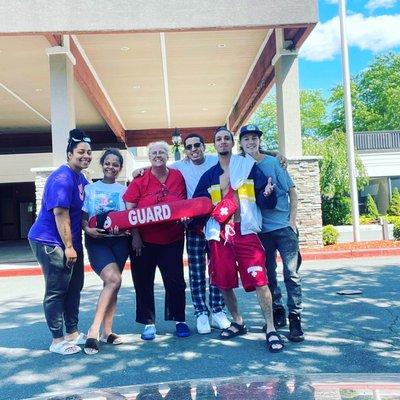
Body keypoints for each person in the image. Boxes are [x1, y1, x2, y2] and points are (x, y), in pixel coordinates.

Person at [193, 127, 284, 353]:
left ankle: (271, 328)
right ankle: (238, 321)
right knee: (223, 282)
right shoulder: (209, 176)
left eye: (226, 138)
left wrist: (268, 193)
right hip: (219, 234)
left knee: (260, 281)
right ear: (215, 145)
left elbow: (265, 198)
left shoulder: (248, 167)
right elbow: (198, 205)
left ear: (233, 143)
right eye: (219, 139)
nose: (223, 142)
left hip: (245, 230)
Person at [28, 128, 92, 355]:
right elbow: (61, 214)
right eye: (80, 152)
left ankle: (72, 332)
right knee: (57, 290)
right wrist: (68, 247)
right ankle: (57, 340)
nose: (85, 156)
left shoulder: (80, 177)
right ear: (69, 154)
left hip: (70, 240)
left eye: (88, 152)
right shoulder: (62, 178)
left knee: (74, 286)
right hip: (50, 241)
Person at [239, 124, 304, 342]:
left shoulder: (274, 162)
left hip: (283, 227)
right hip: (260, 230)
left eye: (254, 138)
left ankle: (296, 317)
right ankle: (277, 310)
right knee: (268, 275)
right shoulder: (241, 166)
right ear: (241, 143)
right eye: (246, 139)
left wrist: (292, 221)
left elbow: (292, 192)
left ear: (259, 141)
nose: (250, 142)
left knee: (291, 274)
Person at [123, 141, 190, 340]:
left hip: (173, 238)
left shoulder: (177, 175)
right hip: (143, 241)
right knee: (143, 282)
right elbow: (129, 210)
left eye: (161, 152)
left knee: (176, 282)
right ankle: (148, 323)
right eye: (153, 152)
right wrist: (135, 236)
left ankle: (180, 320)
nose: (157, 155)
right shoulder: (140, 180)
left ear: (168, 155)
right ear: (149, 157)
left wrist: (185, 215)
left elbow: (184, 203)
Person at [172, 133, 230, 334]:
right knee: (196, 271)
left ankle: (217, 310)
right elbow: (157, 165)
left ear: (205, 146)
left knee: (217, 267)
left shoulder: (217, 161)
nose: (193, 149)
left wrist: (275, 154)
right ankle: (200, 312)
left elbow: (245, 158)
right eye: (189, 147)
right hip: (194, 226)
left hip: (216, 223)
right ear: (185, 151)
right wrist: (138, 171)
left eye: (197, 145)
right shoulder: (180, 165)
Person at [81, 148, 130, 354]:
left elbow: (127, 217)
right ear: (102, 165)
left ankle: (107, 331)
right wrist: (88, 229)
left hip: (118, 241)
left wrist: (124, 228)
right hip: (97, 241)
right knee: (113, 279)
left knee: (113, 284)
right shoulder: (91, 189)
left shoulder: (123, 191)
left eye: (115, 164)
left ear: (120, 168)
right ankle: (93, 330)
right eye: (108, 163)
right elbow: (83, 217)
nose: (111, 167)